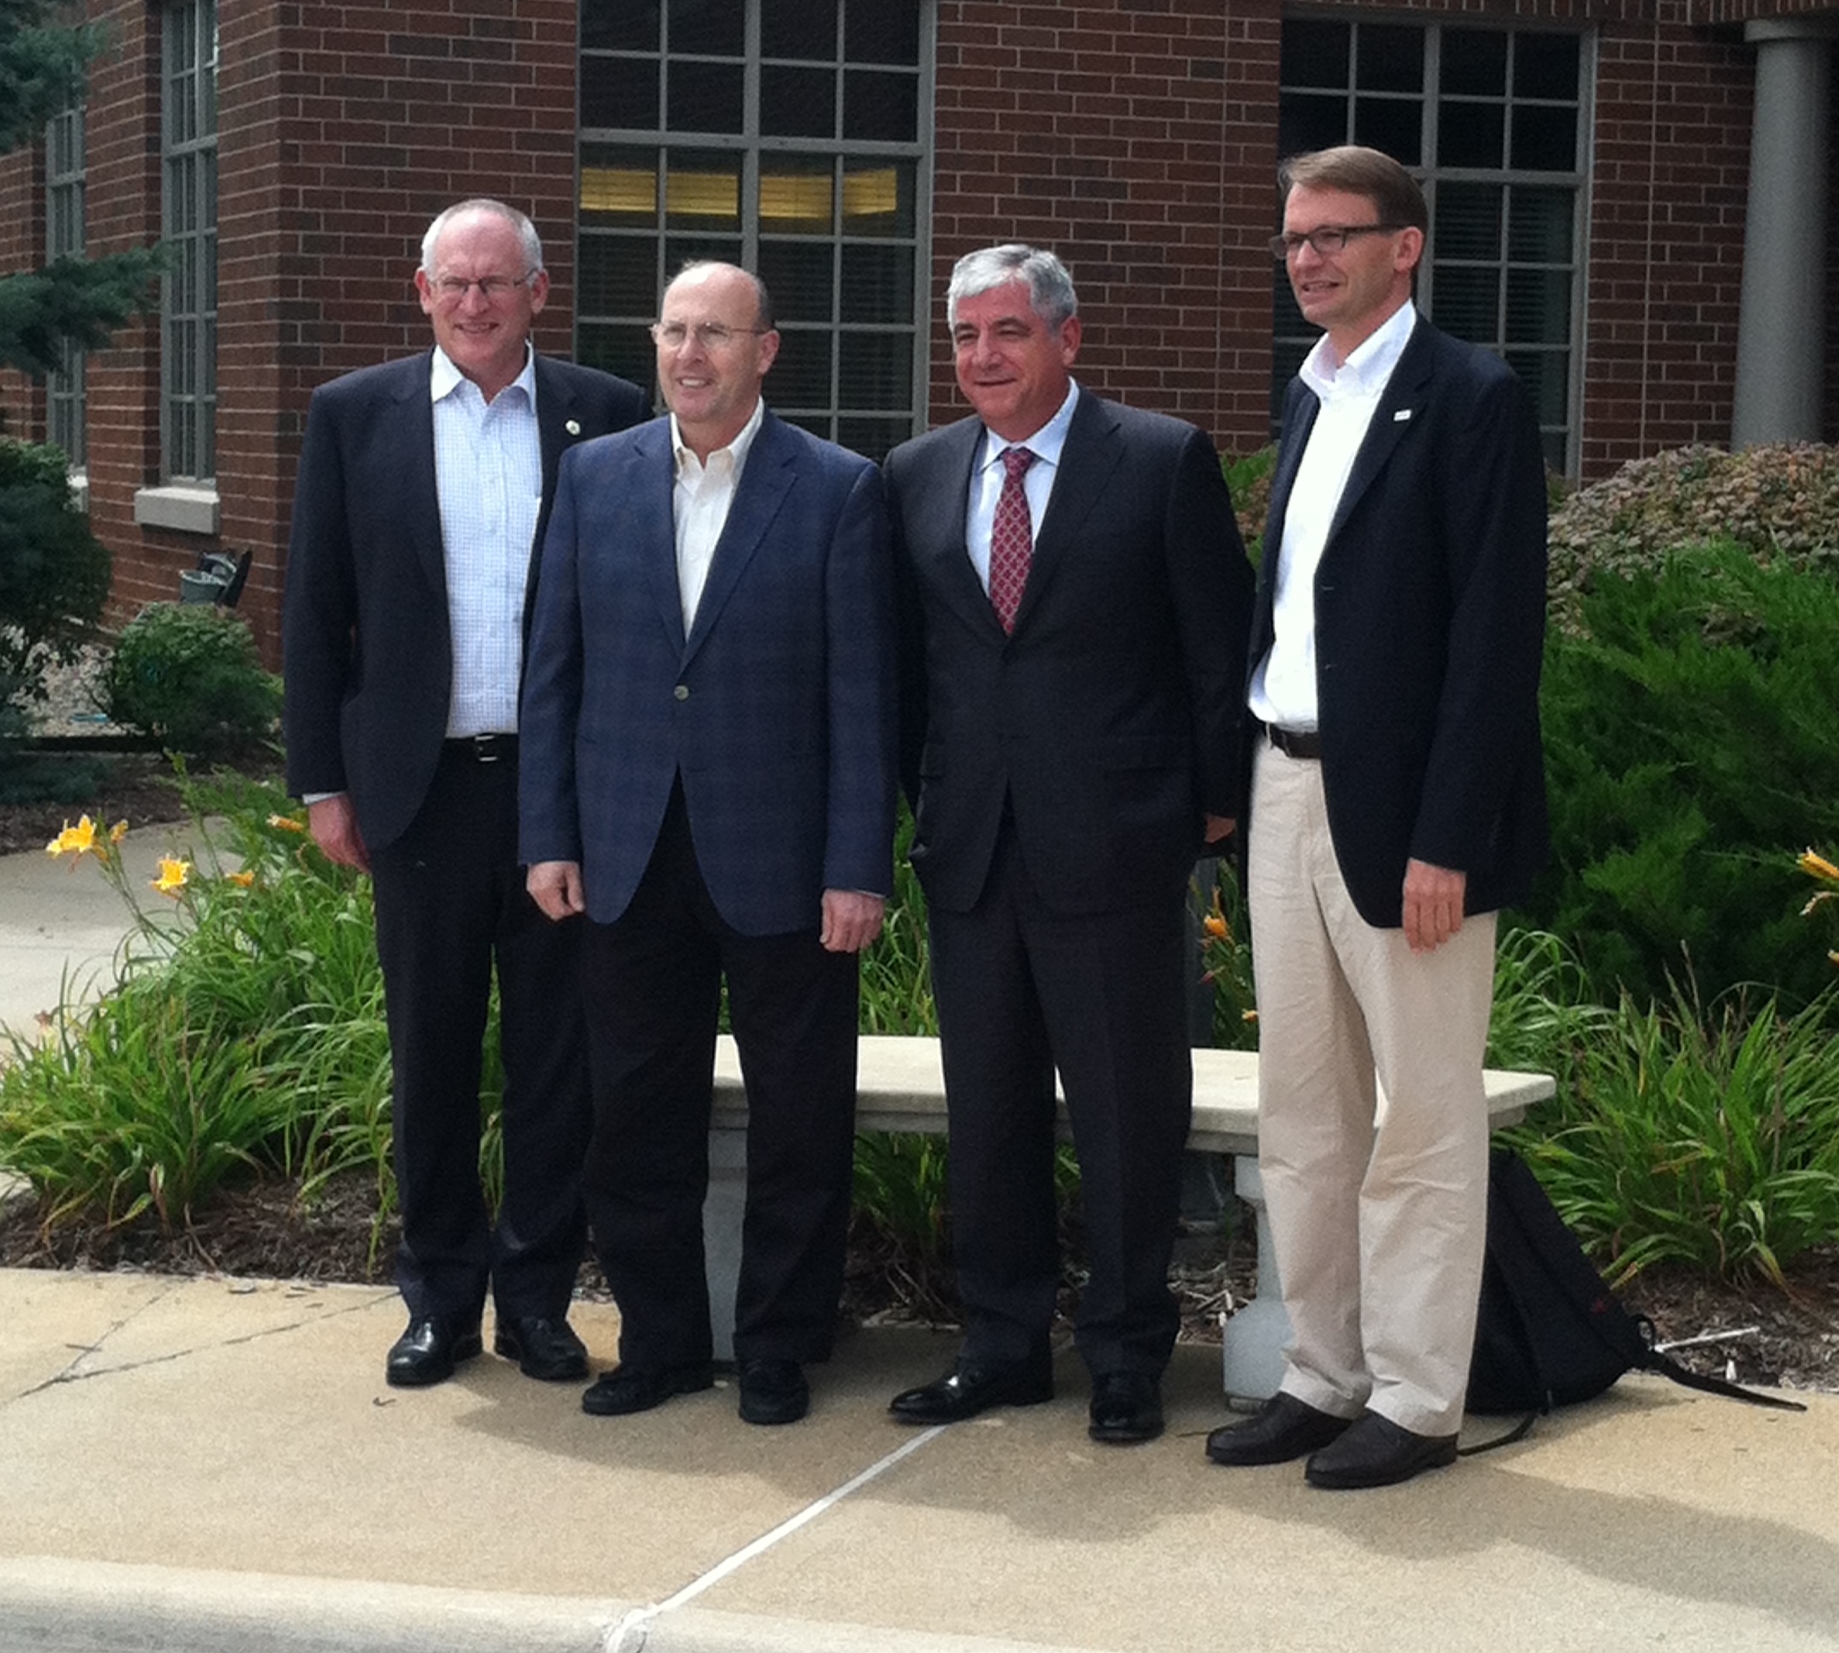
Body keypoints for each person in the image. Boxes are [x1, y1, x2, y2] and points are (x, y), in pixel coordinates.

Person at [1205, 145, 1548, 1490]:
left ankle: (1415, 1396)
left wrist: (1445, 837)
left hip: (1406, 814)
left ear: (1401, 247)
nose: (1306, 258)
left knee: (1420, 1116)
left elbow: (1489, 638)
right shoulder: (1306, 396)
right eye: (1291, 238)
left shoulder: (1467, 396)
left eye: (1332, 236)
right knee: (1302, 1108)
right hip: (1284, 780)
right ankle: (1321, 1371)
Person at [882, 245, 1253, 1445]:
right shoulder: (917, 472)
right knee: (987, 1113)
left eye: (1009, 332)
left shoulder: (1157, 460)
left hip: (1119, 848)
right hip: (975, 851)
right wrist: (920, 800)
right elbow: (907, 668)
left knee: (1126, 1113)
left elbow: (1214, 648)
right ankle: (1001, 1344)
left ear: (1068, 337)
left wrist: (1210, 810)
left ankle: (1129, 1353)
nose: (983, 357)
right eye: (966, 336)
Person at [519, 260, 898, 1429]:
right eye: (675, 329)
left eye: (718, 334)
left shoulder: (838, 487)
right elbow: (555, 671)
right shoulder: (594, 476)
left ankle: (779, 1344)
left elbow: (863, 699)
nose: (692, 354)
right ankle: (663, 1340)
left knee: (800, 1114)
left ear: (766, 350)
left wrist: (857, 863)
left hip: (782, 858)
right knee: (635, 1114)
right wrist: (549, 835)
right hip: (627, 849)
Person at [282, 198, 648, 1389]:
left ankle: (535, 1298)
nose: (477, 301)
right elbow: (313, 609)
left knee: (556, 1058)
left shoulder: (607, 415)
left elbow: (634, 621)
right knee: (431, 1050)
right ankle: (439, 1296)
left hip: (560, 795)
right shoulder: (355, 416)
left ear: (541, 292)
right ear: (422, 289)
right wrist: (323, 781)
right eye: (457, 282)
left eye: (500, 282)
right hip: (420, 792)